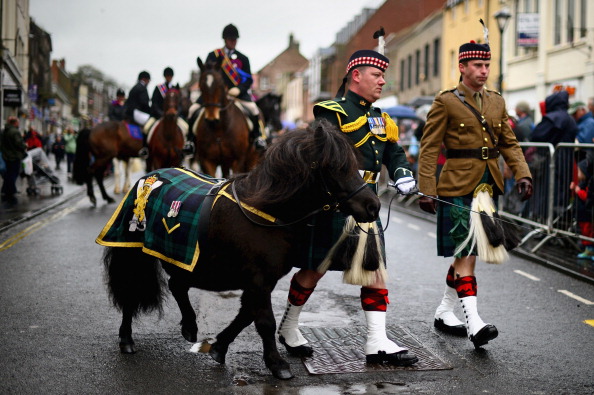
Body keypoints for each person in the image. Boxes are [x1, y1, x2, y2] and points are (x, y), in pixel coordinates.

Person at [277, 49, 419, 366]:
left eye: (384, 75)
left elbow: (394, 154)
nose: (383, 80)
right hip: (336, 203)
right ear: (357, 75)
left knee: (374, 271)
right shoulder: (331, 112)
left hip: (365, 204)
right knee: (314, 270)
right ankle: (288, 327)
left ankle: (376, 341)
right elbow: (328, 156)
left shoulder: (382, 118)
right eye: (376, 74)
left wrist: (403, 174)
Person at [417, 38, 533, 349]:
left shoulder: (496, 100)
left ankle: (445, 311)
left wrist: (522, 172)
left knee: (466, 254)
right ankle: (474, 324)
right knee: (466, 253)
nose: (484, 71)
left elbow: (508, 142)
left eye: (487, 66)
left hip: (487, 186)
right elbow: (428, 148)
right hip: (456, 186)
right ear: (463, 67)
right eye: (478, 66)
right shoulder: (445, 101)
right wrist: (426, 188)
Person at [191, 24, 266, 151]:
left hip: (237, 94)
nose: (233, 42)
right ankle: (190, 141)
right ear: (225, 40)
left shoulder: (243, 58)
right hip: (213, 95)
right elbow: (206, 74)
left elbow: (248, 80)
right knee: (192, 110)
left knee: (254, 109)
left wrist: (239, 90)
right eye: (231, 39)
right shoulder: (213, 55)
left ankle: (258, 137)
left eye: (235, 39)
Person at [145, 67, 191, 153]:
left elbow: (180, 105)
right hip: (160, 116)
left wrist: (177, 112)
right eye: (167, 76)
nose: (168, 77)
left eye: (170, 76)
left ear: (172, 77)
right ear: (164, 76)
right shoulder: (158, 88)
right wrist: (161, 114)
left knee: (186, 127)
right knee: (146, 128)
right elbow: (154, 104)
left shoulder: (176, 88)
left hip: (174, 116)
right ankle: (146, 149)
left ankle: (186, 147)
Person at [569, 158, 594, 259]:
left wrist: (577, 191)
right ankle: (588, 249)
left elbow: (587, 196)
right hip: (582, 213)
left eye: (579, 171)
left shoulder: (589, 184)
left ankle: (590, 249)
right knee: (584, 231)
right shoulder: (582, 183)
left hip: (586, 213)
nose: (577, 173)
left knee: (589, 232)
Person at [124, 71, 151, 157]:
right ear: (144, 79)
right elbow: (144, 103)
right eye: (148, 80)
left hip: (130, 112)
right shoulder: (142, 88)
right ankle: (145, 147)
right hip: (136, 112)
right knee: (150, 123)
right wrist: (151, 112)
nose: (149, 82)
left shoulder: (135, 87)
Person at [1, 116, 27, 205]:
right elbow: (19, 143)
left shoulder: (4, 131)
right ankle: (11, 191)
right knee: (13, 174)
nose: (19, 124)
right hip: (14, 156)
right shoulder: (15, 132)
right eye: (18, 122)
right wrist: (25, 145)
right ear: (15, 123)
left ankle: (5, 189)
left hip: (6, 155)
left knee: (8, 174)